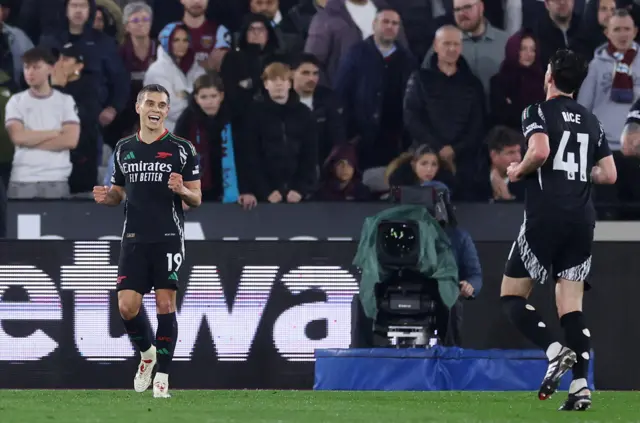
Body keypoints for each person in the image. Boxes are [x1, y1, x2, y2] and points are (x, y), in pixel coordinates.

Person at [500, 49, 617, 411]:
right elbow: (610, 174)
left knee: (512, 297)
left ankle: (555, 351)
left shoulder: (536, 111)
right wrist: (581, 173)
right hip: (582, 219)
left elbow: (540, 149)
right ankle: (581, 389)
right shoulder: (591, 120)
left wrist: (517, 170)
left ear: (549, 75)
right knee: (571, 307)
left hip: (545, 216)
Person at [92, 84, 202, 398]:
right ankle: (147, 354)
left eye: (162, 105)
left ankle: (163, 378)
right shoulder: (124, 147)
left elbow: (196, 199)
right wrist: (107, 197)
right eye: (150, 103)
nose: (156, 109)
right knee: (127, 308)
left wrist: (182, 191)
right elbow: (118, 194)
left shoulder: (183, 149)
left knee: (166, 304)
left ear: (167, 111)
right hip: (134, 238)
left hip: (168, 237)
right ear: (139, 108)